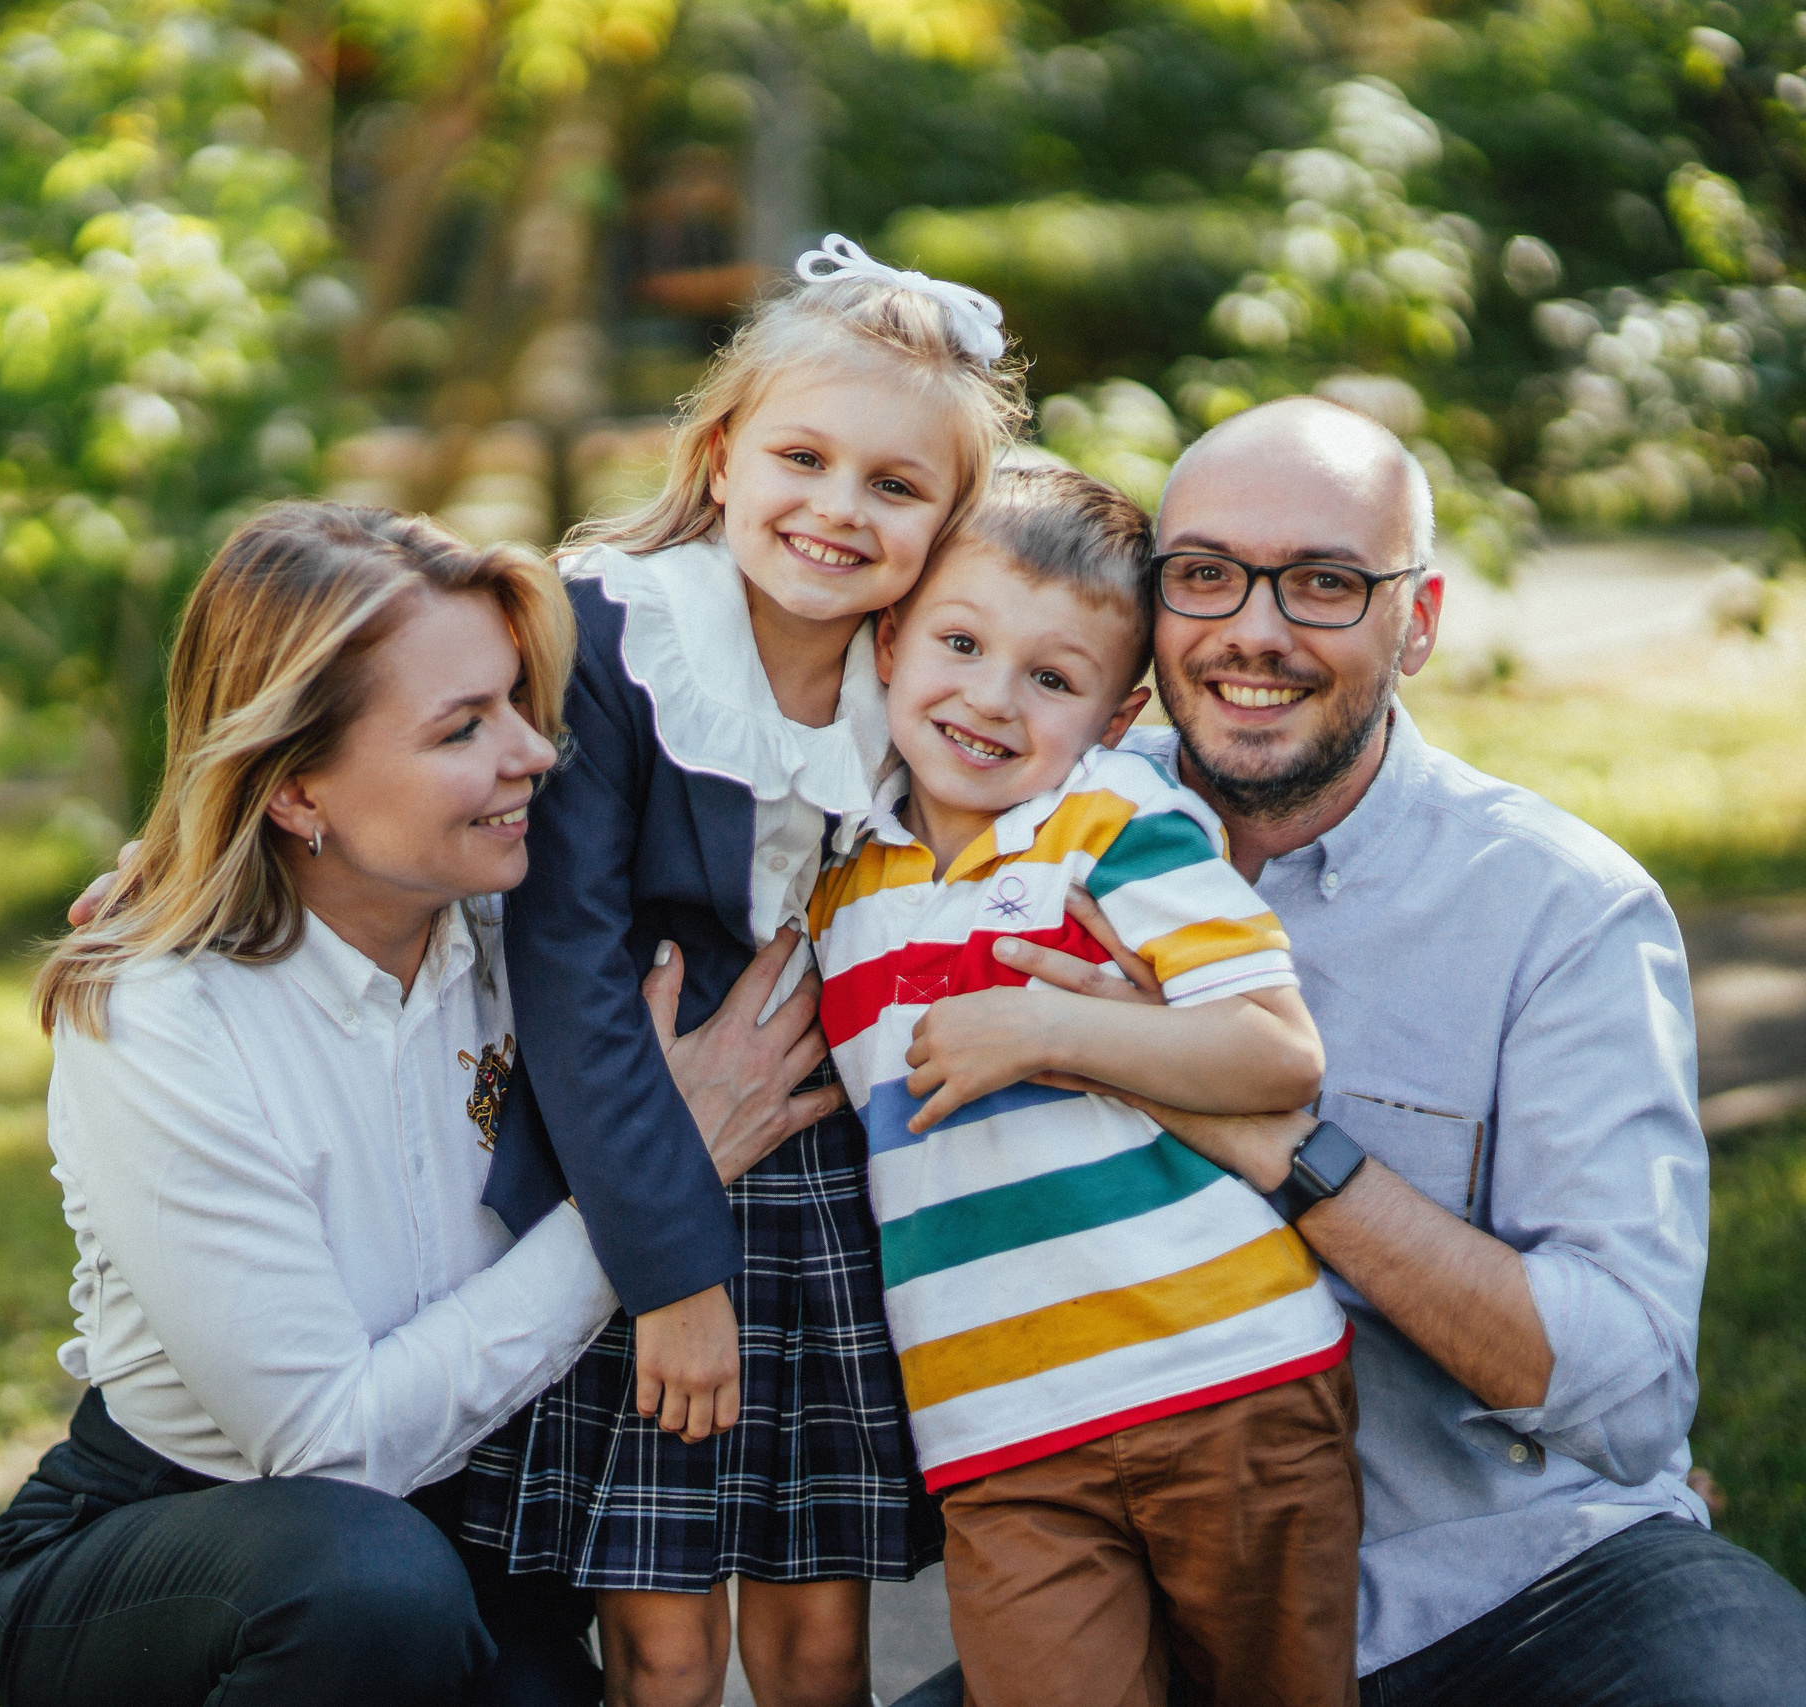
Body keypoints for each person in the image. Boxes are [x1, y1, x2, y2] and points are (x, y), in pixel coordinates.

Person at [919, 396, 1806, 1707]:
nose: (1254, 630)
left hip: (1520, 1575)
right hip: (1153, 1605)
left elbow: (1624, 1395)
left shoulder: (1559, 907)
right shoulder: (1018, 813)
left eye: (1326, 582)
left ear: (1422, 620)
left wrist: (1275, 1139)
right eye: (1205, 574)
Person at [0, 502, 844, 1707]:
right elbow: (327, 1449)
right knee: (366, 1593)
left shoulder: (530, 939)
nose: (535, 754)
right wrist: (650, 1189)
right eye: (461, 730)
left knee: (500, 1659)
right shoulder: (161, 1019)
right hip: (198, 1551)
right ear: (294, 790)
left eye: (518, 705)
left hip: (472, 1537)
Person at [460, 236, 1027, 1707]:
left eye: (896, 487)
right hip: (639, 1177)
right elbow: (570, 973)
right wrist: (669, 1273)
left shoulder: (927, 678)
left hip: (827, 1184)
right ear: (721, 457)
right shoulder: (610, 633)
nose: (838, 508)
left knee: (817, 1629)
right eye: (803, 456)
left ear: (949, 523)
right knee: (659, 1638)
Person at [813, 467, 1359, 1707]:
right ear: (891, 641)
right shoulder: (836, 878)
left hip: (1224, 1380)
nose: (990, 700)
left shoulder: (1112, 821)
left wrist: (1043, 1028)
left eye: (1052, 679)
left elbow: (1274, 1051)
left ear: (1113, 718)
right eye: (959, 643)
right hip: (997, 1440)